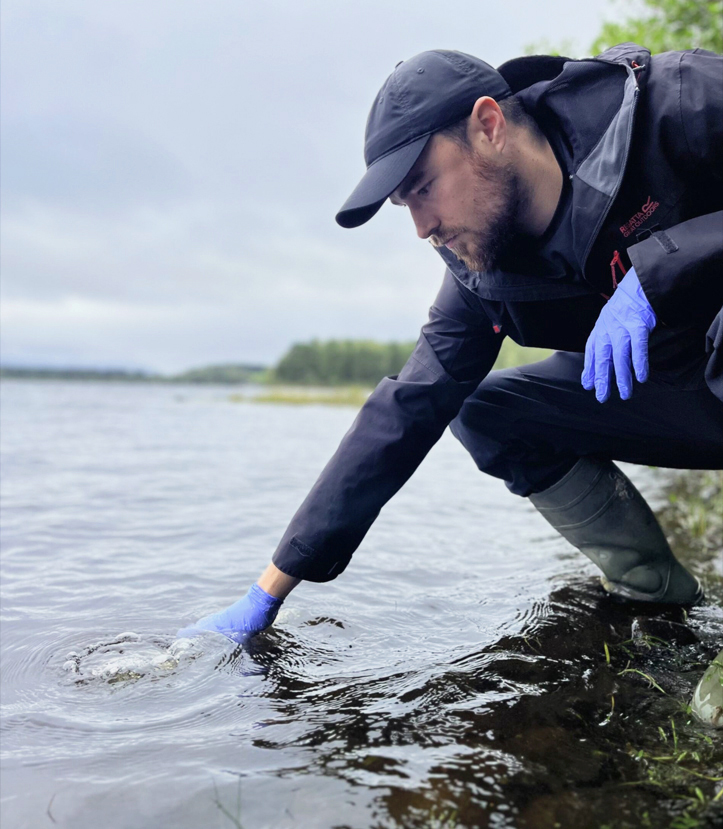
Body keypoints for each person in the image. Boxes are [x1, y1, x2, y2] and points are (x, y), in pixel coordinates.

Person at [178, 43, 723, 644]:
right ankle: (656, 596)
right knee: (481, 410)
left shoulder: (679, 99)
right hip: (693, 400)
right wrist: (269, 589)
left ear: (488, 126)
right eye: (402, 205)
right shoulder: (480, 278)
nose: (421, 226)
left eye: (422, 187)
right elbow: (403, 411)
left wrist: (664, 268)